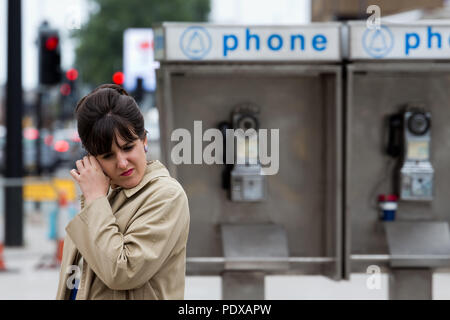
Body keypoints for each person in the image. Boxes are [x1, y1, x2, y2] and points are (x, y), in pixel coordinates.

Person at [55, 84, 190, 300]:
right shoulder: (99, 195)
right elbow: (75, 278)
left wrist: (96, 201)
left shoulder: (166, 195)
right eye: (108, 156)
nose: (122, 163)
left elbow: (123, 272)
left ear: (144, 140)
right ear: (93, 160)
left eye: (128, 147)